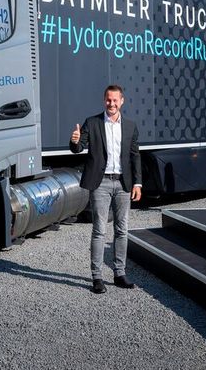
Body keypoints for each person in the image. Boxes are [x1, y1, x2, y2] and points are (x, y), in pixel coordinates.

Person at [70, 84, 141, 294]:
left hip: (123, 184)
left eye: (115, 100)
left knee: (122, 230)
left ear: (122, 101)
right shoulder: (92, 123)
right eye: (108, 100)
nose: (111, 103)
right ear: (104, 100)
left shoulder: (130, 126)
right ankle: (97, 277)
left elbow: (135, 156)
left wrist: (137, 183)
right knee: (99, 230)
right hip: (100, 184)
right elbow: (78, 147)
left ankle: (119, 274)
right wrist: (74, 142)